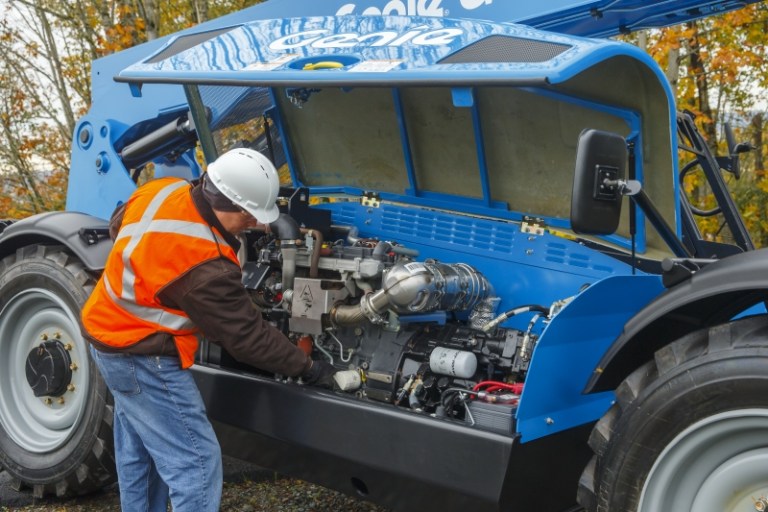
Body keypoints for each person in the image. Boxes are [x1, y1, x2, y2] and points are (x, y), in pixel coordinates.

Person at [81, 147, 335, 512]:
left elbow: (118, 225)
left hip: (107, 333)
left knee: (141, 452)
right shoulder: (204, 263)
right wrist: (308, 368)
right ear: (231, 204)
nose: (253, 224)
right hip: (143, 355)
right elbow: (247, 338)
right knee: (196, 463)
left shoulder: (163, 189)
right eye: (249, 216)